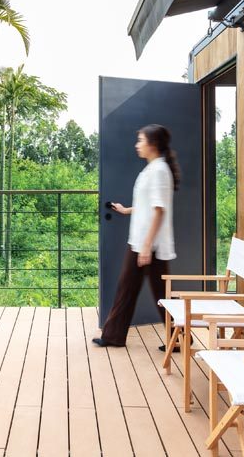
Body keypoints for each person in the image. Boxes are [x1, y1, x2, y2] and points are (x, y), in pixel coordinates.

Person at [93, 124, 179, 347]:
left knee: (149, 292)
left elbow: (159, 210)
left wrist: (147, 245)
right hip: (143, 242)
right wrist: (126, 210)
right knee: (139, 290)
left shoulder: (159, 170)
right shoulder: (153, 168)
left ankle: (114, 336)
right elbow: (148, 204)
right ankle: (175, 339)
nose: (137, 145)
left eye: (140, 140)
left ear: (153, 144)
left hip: (149, 244)